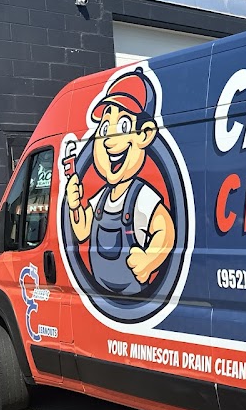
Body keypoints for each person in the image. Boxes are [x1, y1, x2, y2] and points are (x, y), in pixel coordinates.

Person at [64, 68, 175, 295]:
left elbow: (165, 230)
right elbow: (83, 231)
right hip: (104, 295)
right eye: (105, 129)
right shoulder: (102, 197)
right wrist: (75, 206)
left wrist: (149, 260)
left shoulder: (141, 196)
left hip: (136, 294)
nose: (109, 141)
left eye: (123, 126)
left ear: (145, 134)